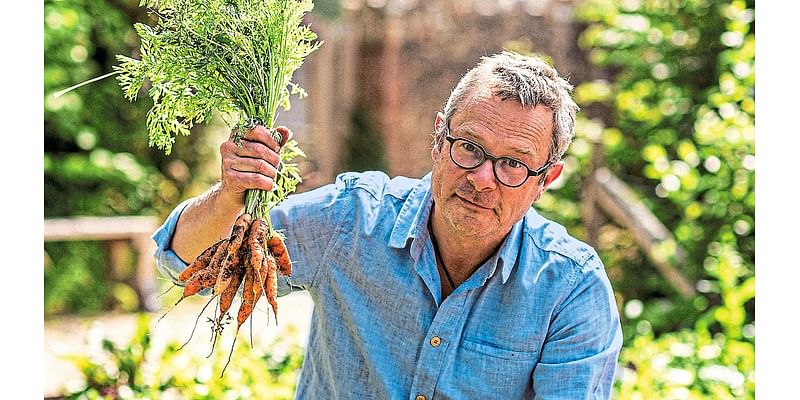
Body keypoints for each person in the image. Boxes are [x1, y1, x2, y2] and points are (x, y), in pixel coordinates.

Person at [152, 51, 622, 399]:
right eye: (470, 149)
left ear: (547, 179)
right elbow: (187, 262)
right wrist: (232, 195)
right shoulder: (351, 220)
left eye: (513, 165)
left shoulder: (570, 288)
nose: (482, 179)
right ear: (439, 138)